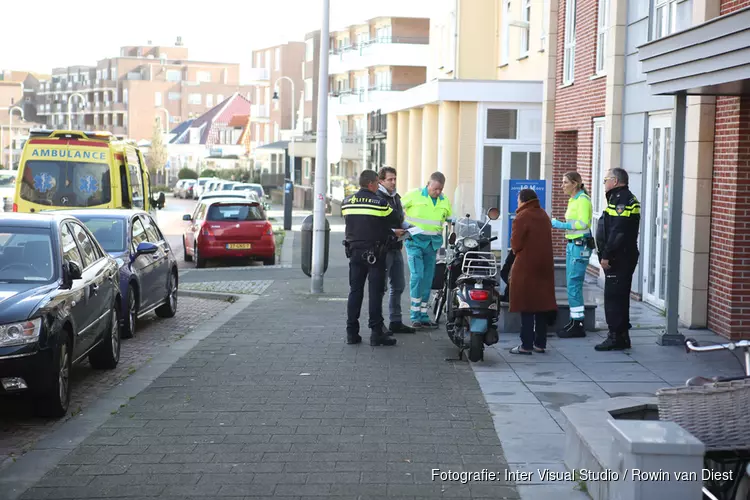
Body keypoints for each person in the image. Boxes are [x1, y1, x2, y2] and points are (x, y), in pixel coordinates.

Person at [341, 169, 403, 347]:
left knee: (355, 291)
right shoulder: (380, 203)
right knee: (375, 294)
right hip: (375, 254)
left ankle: (352, 332)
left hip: (353, 253)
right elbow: (395, 218)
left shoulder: (347, 202)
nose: (378, 186)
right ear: (371, 184)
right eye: (377, 183)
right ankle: (376, 333)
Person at [595, 167, 641, 351]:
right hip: (622, 255)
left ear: (614, 181)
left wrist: (607, 255)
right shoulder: (620, 198)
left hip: (619, 257)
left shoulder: (622, 200)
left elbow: (618, 231)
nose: (605, 183)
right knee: (620, 297)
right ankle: (622, 336)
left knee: (614, 298)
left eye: (606, 180)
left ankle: (615, 336)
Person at [508, 189, 558, 355]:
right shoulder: (543, 215)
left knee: (527, 304)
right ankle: (540, 343)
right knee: (542, 305)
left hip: (526, 267)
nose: (517, 203)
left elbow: (516, 244)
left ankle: (526, 345)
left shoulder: (522, 216)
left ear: (523, 200)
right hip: (544, 266)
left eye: (518, 200)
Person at [401, 172, 453, 329]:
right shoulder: (414, 195)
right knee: (417, 276)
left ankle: (423, 315)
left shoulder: (444, 201)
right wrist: (402, 227)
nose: (437, 192)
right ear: (428, 184)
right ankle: (414, 315)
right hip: (414, 242)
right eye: (435, 188)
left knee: (428, 278)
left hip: (432, 245)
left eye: (440, 189)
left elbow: (450, 220)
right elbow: (396, 210)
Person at [551, 171, 593, 338]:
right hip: (572, 245)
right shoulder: (573, 199)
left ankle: (578, 324)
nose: (562, 185)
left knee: (574, 284)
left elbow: (583, 224)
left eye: (565, 182)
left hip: (579, 245)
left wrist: (559, 224)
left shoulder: (582, 200)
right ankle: (574, 320)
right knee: (571, 284)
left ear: (575, 184)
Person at [376, 167, 416, 334]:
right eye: (389, 179)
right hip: (384, 248)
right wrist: (393, 232)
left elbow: (399, 218)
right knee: (381, 288)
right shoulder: (378, 197)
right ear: (381, 181)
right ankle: (378, 323)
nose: (393, 182)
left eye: (394, 179)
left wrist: (408, 227)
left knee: (398, 285)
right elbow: (376, 224)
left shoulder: (396, 197)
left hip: (396, 247)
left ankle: (396, 321)